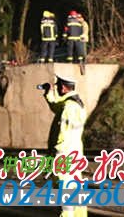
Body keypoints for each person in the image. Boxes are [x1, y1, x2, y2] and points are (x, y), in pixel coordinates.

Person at [41, 75, 87, 217]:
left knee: (65, 188)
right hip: (74, 152)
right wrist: (48, 93)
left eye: (58, 85)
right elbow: (56, 106)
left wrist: (58, 155)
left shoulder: (69, 107)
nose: (57, 87)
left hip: (65, 154)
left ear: (63, 87)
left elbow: (64, 134)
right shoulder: (74, 103)